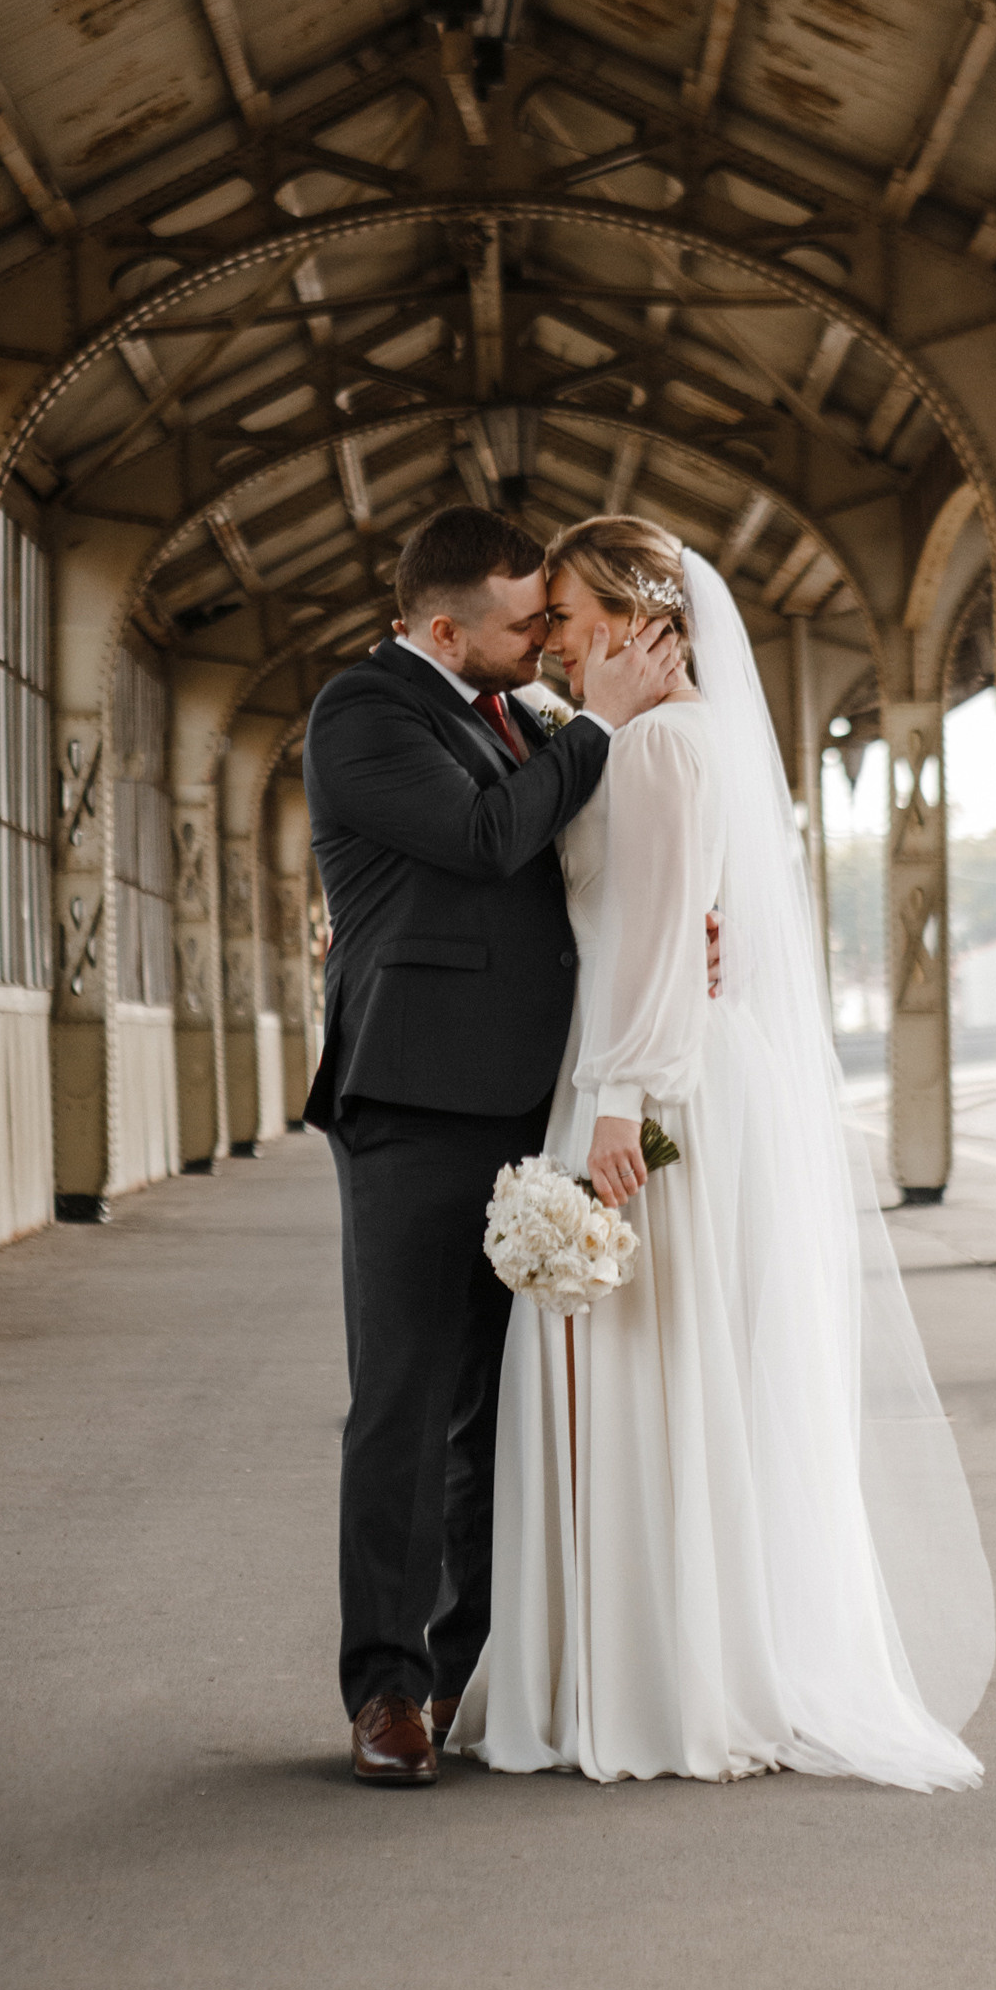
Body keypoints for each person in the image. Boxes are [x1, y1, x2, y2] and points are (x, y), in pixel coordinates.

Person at [451, 515, 994, 1790]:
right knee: (667, 1366)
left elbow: (651, 945)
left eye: (570, 616)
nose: (554, 640)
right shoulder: (670, 737)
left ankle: (639, 1682)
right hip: (671, 1069)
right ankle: (664, 1661)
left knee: (628, 1364)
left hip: (644, 1087)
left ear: (640, 620)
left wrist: (616, 1104)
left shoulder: (657, 748)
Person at [301, 505, 685, 1787]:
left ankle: (468, 1669)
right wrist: (604, 728)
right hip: (414, 1099)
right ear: (443, 625)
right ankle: (384, 1684)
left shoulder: (519, 714)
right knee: (406, 1397)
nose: (545, 640)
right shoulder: (364, 712)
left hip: (535, 1096)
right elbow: (483, 839)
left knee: (502, 1405)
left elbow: (583, 879)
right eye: (525, 622)